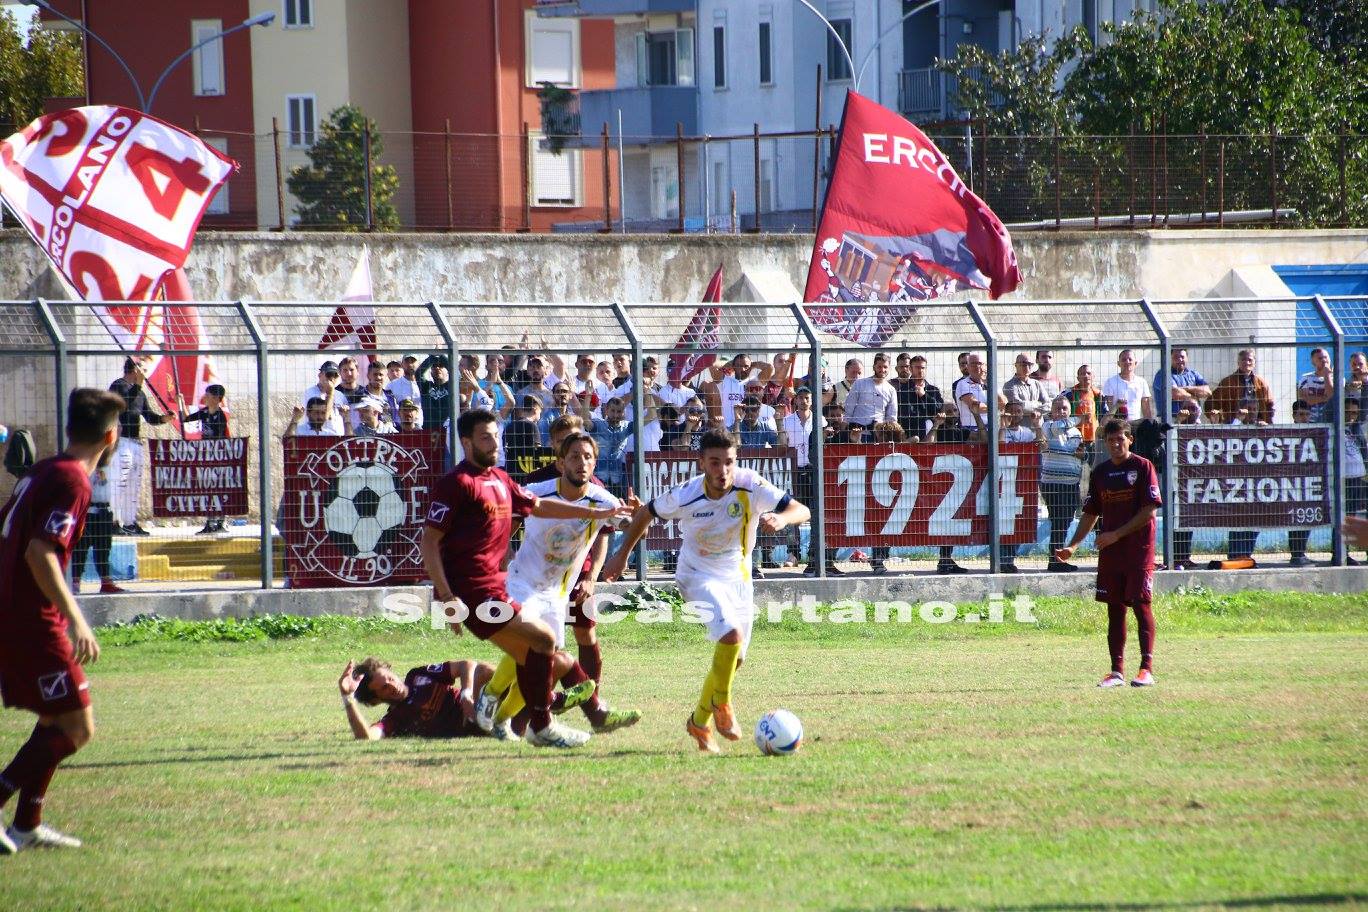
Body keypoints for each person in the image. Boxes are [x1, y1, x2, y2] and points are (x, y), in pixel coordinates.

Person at [421, 409, 633, 748]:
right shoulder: (457, 483)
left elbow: (542, 507)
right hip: (475, 592)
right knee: (546, 645)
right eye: (485, 437)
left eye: (496, 436)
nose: (494, 443)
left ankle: (509, 717)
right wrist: (447, 598)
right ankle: (548, 722)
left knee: (536, 657)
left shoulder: (502, 481)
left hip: (499, 586)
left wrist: (598, 514)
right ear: (466, 442)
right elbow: (429, 542)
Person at [601, 429, 810, 753]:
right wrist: (622, 554)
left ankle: (699, 721)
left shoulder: (749, 484)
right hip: (697, 575)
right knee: (730, 637)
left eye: (728, 462)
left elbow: (801, 510)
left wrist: (782, 519)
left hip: (738, 578)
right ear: (702, 463)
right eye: (715, 462)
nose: (723, 470)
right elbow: (646, 512)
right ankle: (722, 707)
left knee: (734, 660)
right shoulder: (687, 493)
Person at [0, 387, 125, 853]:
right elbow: (39, 552)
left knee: (56, 719)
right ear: (111, 437)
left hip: (15, 612)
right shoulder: (74, 480)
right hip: (34, 619)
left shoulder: (43, 470)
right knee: (79, 728)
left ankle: (27, 825)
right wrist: (76, 618)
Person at [485, 432, 641, 737]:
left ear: (595, 463)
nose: (581, 462)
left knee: (547, 663)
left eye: (587, 457)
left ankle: (503, 720)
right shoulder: (537, 491)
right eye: (574, 456)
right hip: (523, 583)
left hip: (557, 591)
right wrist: (501, 554)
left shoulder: (603, 499)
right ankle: (491, 694)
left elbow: (632, 525)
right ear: (560, 462)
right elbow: (505, 521)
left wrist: (637, 518)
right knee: (533, 645)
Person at [1056, 418, 1162, 688]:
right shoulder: (1101, 472)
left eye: (1121, 439)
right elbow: (1091, 512)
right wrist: (1074, 545)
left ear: (1130, 440)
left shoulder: (1142, 467)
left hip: (1138, 550)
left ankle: (1146, 669)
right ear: (1105, 443)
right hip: (1111, 552)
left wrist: (1115, 534)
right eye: (1111, 440)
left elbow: (1149, 511)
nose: (1116, 444)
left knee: (1140, 604)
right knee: (1114, 610)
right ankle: (1116, 672)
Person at [338, 657, 495, 740]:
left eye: (390, 678)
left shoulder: (417, 675)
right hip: (473, 728)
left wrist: (467, 697)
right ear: (375, 700)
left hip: (480, 705)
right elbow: (366, 737)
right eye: (384, 688)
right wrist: (347, 696)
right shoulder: (394, 720)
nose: (392, 686)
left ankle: (518, 687)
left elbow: (465, 665)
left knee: (483, 670)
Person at [108, 356, 169, 536]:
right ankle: (113, 521)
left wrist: (164, 419)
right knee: (119, 482)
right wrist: (138, 385)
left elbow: (149, 416)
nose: (145, 373)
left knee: (133, 485)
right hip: (122, 442)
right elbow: (123, 406)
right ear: (134, 370)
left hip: (135, 442)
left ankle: (130, 522)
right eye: (142, 369)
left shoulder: (140, 392)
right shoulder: (117, 386)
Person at [1039, 398, 1085, 572]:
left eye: (1065, 408)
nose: (1062, 411)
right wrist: (1080, 417)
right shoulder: (1049, 427)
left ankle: (1057, 557)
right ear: (1051, 412)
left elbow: (1080, 455)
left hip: (1072, 482)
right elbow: (1061, 425)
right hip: (1053, 483)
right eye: (1058, 409)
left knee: (1065, 521)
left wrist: (1083, 455)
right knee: (1058, 520)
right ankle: (1055, 560)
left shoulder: (1075, 432)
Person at [178, 383, 231, 534]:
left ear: (216, 398)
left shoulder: (221, 416)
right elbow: (186, 422)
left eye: (207, 395)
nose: (205, 398)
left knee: (219, 491)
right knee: (208, 491)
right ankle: (210, 521)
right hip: (206, 459)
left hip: (219, 460)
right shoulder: (204, 413)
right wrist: (180, 403)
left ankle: (220, 521)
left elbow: (219, 439)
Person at [73, 453, 122, 593]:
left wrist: (116, 514)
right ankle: (75, 580)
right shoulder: (85, 464)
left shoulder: (110, 464)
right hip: (88, 511)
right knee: (81, 547)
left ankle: (105, 581)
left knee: (103, 548)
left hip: (105, 511)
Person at [1206, 349, 1273, 426]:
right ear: (1238, 362)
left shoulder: (1261, 383)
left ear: (1254, 363)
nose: (1247, 362)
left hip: (1257, 426)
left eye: (1250, 360)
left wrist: (1269, 425)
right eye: (1243, 359)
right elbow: (1211, 403)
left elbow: (1270, 405)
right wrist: (1218, 415)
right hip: (1234, 424)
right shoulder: (1228, 382)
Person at [844, 353, 898, 434]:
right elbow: (849, 408)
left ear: (889, 368)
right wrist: (846, 428)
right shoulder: (859, 383)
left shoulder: (891, 390)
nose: (882, 370)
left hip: (878, 434)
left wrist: (888, 434)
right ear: (874, 367)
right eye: (879, 367)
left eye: (885, 367)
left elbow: (891, 417)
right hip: (857, 433)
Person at [1154, 348, 1210, 421]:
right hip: (1171, 419)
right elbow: (1175, 394)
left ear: (1187, 358)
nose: (1180, 360)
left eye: (1182, 357)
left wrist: (1185, 389)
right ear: (1169, 359)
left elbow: (1207, 392)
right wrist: (1194, 397)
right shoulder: (1163, 374)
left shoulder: (1193, 374)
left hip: (1194, 418)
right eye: (1176, 357)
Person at [298, 360, 349, 436]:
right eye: (329, 375)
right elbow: (325, 416)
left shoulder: (340, 395)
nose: (332, 378)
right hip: (320, 437)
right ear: (320, 375)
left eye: (335, 375)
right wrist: (330, 393)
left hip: (338, 437)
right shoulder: (310, 393)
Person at [1102, 350, 1154, 421]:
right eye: (1124, 360)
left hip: (1136, 425)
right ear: (1118, 363)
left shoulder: (1142, 382)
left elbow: (1146, 409)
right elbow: (1109, 407)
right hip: (1117, 425)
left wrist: (1150, 425)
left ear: (1135, 363)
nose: (1127, 362)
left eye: (1130, 359)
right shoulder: (1110, 382)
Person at [1003, 353, 1050, 419]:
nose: (1027, 367)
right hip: (1020, 427)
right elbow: (1019, 407)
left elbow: (1049, 405)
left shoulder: (1037, 384)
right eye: (1024, 364)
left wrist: (1037, 412)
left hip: (1038, 427)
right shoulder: (1009, 385)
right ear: (1016, 365)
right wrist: (1038, 404)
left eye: (1030, 364)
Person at [416, 355, 454, 431]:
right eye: (434, 366)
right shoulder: (426, 386)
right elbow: (418, 374)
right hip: (429, 430)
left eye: (441, 366)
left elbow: (456, 372)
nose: (437, 368)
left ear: (447, 371)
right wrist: (432, 356)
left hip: (448, 430)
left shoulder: (452, 386)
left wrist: (441, 355)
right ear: (431, 372)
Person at [1298, 348, 1336, 423]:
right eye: (1320, 358)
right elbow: (1305, 400)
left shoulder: (1337, 378)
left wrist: (1327, 375)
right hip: (1310, 421)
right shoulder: (1306, 378)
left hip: (1331, 420)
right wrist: (1326, 398)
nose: (1324, 360)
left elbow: (1332, 396)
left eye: (1326, 357)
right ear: (1313, 362)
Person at [285, 398, 349, 438]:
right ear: (308, 413)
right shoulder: (298, 431)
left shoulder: (331, 434)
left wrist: (346, 417)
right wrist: (295, 418)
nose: (320, 417)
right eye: (316, 413)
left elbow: (350, 443)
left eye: (323, 413)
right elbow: (288, 442)